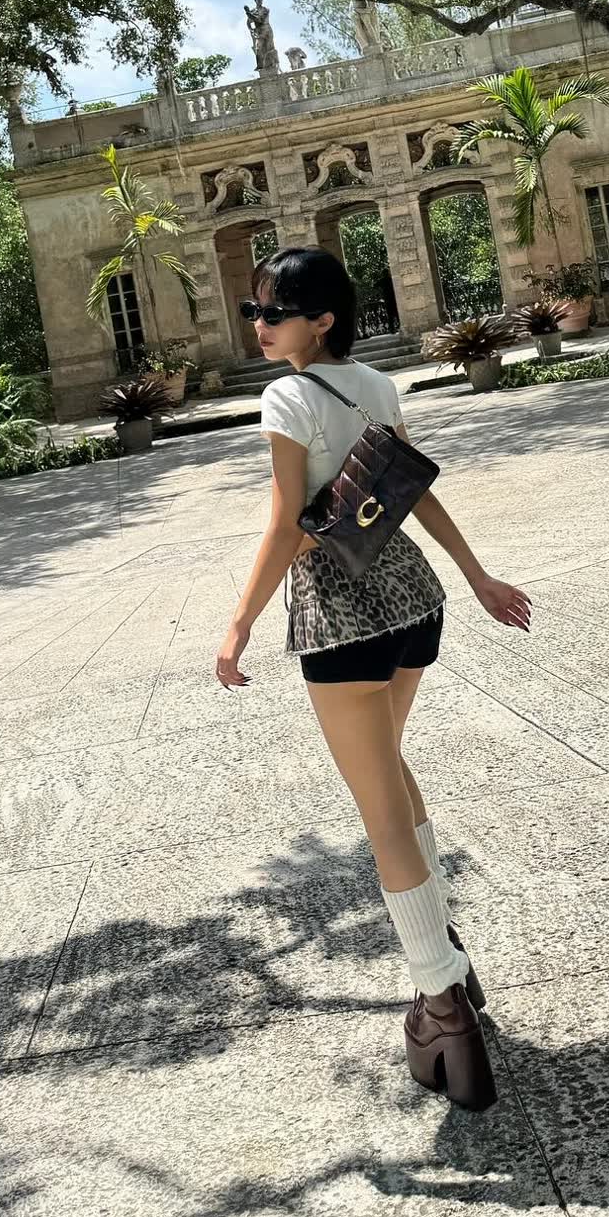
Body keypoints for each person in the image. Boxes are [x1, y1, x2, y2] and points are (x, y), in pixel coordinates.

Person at [215, 246, 532, 1111]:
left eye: (272, 312)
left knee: (379, 809)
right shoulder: (375, 387)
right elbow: (416, 491)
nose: (258, 326)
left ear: (320, 320)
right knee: (388, 768)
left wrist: (239, 624)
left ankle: (439, 998)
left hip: (342, 619)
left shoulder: (286, 398)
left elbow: (286, 524)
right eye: (252, 311)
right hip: (413, 601)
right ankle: (446, 952)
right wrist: (475, 577)